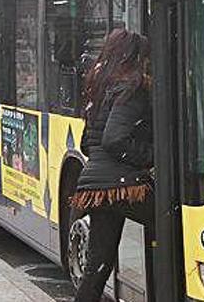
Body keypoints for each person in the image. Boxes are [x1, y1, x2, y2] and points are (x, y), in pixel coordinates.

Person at [70, 29, 154, 302]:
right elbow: (114, 139)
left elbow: (86, 144)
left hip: (94, 187)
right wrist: (148, 157)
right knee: (175, 220)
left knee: (98, 264)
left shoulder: (100, 88)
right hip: (122, 186)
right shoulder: (134, 87)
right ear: (135, 58)